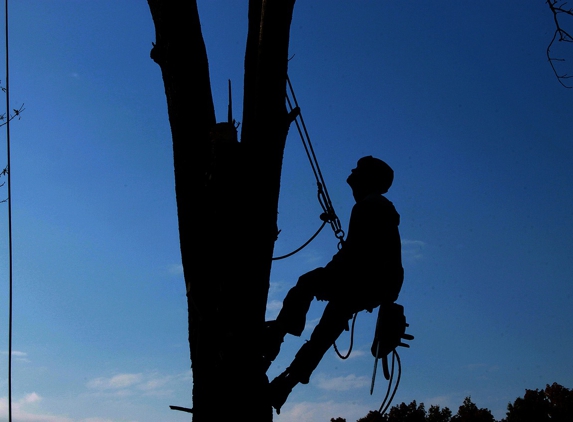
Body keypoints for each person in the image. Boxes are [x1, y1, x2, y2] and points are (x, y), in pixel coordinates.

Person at [263, 156, 404, 414]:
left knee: (307, 283)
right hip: (379, 286)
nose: (352, 180)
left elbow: (354, 254)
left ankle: (276, 337)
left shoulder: (367, 207)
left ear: (366, 181)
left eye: (357, 177)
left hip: (362, 279)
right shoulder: (383, 209)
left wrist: (328, 277)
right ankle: (287, 383)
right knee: (329, 327)